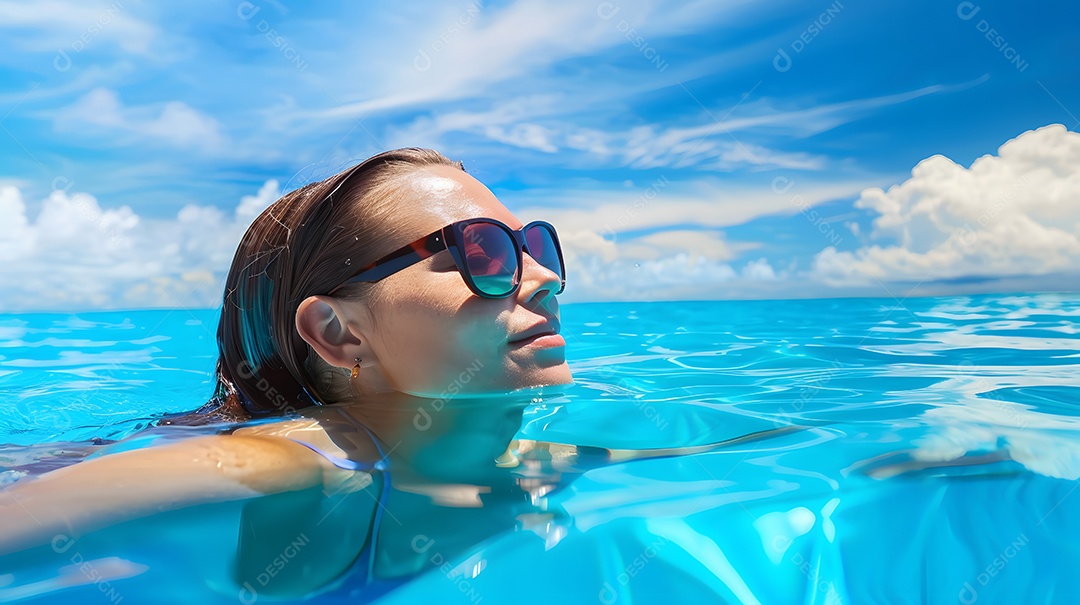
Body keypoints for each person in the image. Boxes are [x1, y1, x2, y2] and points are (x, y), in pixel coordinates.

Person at [0, 149, 782, 601]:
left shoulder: (513, 456)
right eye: (484, 252)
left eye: (536, 242)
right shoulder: (302, 461)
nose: (544, 276)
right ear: (339, 333)